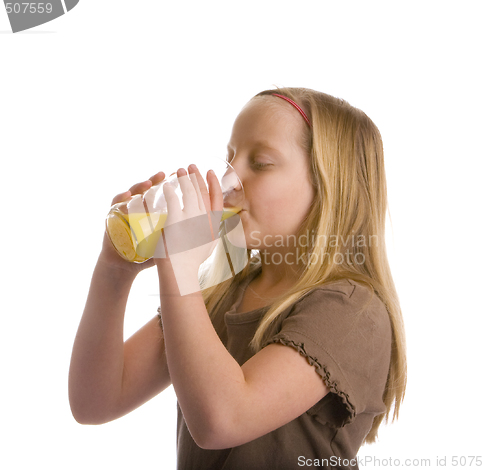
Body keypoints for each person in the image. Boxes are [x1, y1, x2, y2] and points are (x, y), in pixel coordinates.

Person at [69, 87, 407, 470]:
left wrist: (178, 267)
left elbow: (222, 421)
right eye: (231, 158)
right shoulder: (221, 293)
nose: (229, 180)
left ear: (330, 187)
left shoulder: (351, 310)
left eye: (260, 163)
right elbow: (94, 401)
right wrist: (114, 273)